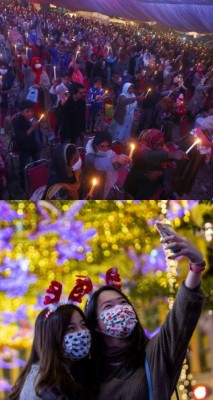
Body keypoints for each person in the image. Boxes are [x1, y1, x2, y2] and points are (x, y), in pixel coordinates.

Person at [84, 232, 205, 399]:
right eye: (108, 306)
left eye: (123, 302)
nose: (119, 309)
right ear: (95, 324)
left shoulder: (154, 354)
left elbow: (181, 316)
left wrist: (196, 266)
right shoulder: (86, 373)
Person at [123, 129, 188, 199]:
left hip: (149, 190)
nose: (161, 147)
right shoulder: (141, 148)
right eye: (157, 145)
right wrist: (170, 154)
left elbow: (172, 168)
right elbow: (148, 156)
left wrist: (160, 173)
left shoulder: (163, 150)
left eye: (162, 143)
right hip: (135, 183)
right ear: (149, 142)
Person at [84, 131, 130, 199]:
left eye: (108, 146)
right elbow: (99, 163)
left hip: (105, 183)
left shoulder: (110, 152)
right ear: (95, 145)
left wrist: (121, 160)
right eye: (102, 146)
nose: (105, 150)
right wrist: (114, 160)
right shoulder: (89, 156)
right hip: (92, 183)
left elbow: (116, 166)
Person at [14, 100, 43, 190]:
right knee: (24, 166)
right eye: (27, 111)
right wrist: (32, 127)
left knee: (37, 162)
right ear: (22, 112)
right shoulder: (19, 122)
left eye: (32, 111)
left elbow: (38, 133)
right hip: (25, 148)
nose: (30, 113)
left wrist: (40, 140)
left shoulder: (34, 119)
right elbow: (22, 137)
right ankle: (24, 184)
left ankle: (38, 180)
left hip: (35, 145)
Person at [0, 63, 20, 132]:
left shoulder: (11, 77)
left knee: (12, 112)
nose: (3, 70)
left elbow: (17, 87)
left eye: (5, 68)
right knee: (2, 112)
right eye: (1, 68)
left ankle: (14, 126)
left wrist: (8, 91)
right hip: (0, 98)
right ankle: (2, 127)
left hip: (10, 97)